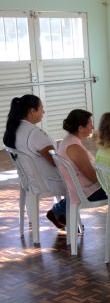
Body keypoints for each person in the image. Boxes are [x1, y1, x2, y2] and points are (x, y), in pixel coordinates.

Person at [3, 94, 67, 228]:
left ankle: (60, 214)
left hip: (28, 180)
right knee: (79, 181)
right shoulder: (34, 133)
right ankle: (59, 213)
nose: (43, 112)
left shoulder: (13, 129)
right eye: (41, 108)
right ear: (32, 111)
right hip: (45, 182)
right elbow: (55, 161)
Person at [57, 109, 106, 203]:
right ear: (80, 128)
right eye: (90, 124)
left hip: (77, 190)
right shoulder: (74, 147)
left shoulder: (68, 140)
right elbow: (92, 176)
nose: (92, 127)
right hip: (87, 193)